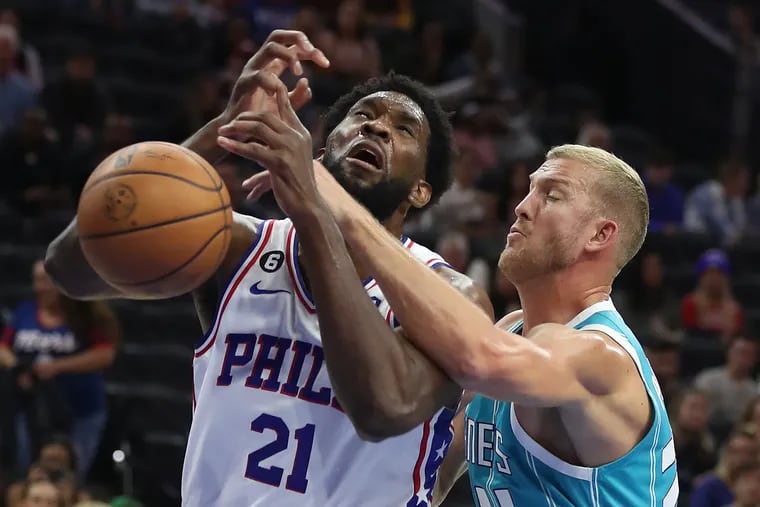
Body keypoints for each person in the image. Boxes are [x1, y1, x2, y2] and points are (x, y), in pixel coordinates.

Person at [44, 30, 492, 506]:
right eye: (363, 116)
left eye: (404, 129)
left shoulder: (449, 293)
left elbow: (383, 408)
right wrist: (221, 131)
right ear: (320, 152)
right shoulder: (238, 247)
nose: (377, 128)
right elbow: (70, 269)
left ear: (420, 191)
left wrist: (317, 211)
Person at [242, 138, 679, 504]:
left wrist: (343, 208)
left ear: (599, 235)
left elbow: (480, 360)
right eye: (529, 191)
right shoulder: (512, 331)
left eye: (552, 195)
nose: (522, 208)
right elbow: (422, 483)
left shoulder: (600, 356)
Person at [0, 262, 117, 481]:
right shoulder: (24, 312)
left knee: (70, 477)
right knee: (29, 474)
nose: (40, 287)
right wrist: (19, 367)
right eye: (37, 280)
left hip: (81, 411)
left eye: (46, 280)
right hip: (33, 411)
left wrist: (56, 367)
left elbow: (104, 354)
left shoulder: (86, 314)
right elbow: (3, 347)